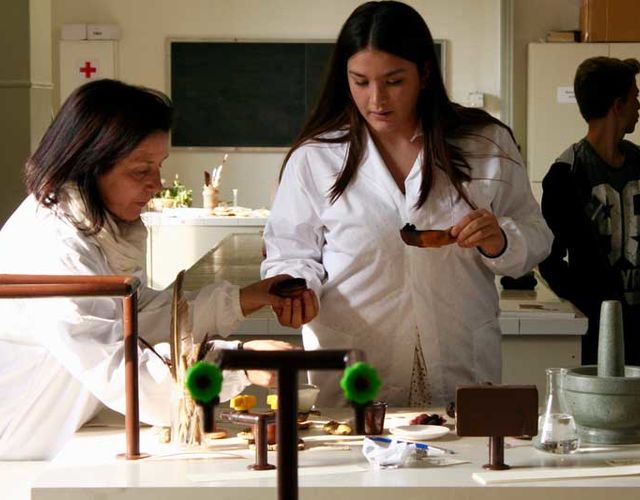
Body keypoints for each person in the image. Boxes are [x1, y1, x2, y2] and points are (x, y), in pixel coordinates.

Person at [261, 0, 552, 407]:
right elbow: (290, 252)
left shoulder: (485, 144)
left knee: (462, 443)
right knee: (353, 445)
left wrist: (500, 240)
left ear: (425, 73)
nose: (376, 99)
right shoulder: (316, 158)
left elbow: (537, 235)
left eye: (394, 81)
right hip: (355, 362)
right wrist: (296, 288)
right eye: (360, 81)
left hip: (458, 355)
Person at [0, 79, 295, 460]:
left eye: (159, 166)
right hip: (19, 448)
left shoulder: (92, 228)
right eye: (141, 170)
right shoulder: (55, 246)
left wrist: (244, 299)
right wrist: (236, 364)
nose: (156, 184)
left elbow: (134, 315)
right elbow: (119, 368)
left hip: (55, 428)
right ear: (89, 166)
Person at [539, 56, 640, 366]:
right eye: (635, 97)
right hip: (597, 335)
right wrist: (591, 302)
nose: (639, 106)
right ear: (618, 105)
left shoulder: (639, 163)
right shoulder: (566, 173)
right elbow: (549, 259)